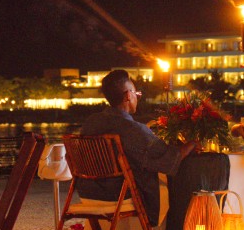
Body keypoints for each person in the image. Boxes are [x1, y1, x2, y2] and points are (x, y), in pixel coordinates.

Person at [78, 69, 197, 222]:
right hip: (119, 195)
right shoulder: (132, 129)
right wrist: (193, 142)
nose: (137, 97)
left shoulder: (91, 122)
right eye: (136, 93)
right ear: (128, 95)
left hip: (88, 192)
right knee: (171, 186)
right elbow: (168, 159)